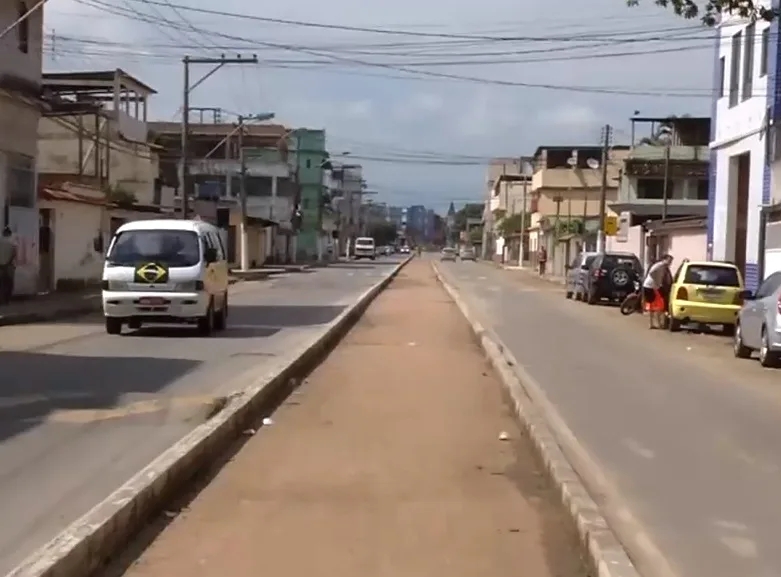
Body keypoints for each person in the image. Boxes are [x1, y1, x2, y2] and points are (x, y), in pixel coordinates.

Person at [643, 254, 673, 329]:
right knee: (658, 305)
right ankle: (656, 323)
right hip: (651, 286)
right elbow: (651, 272)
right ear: (664, 259)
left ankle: (654, 324)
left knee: (654, 305)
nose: (670, 262)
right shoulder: (660, 265)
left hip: (652, 286)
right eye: (669, 260)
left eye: (671, 261)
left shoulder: (664, 267)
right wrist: (657, 281)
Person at [0, 227, 16, 304]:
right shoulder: (12, 244)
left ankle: (1, 300)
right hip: (9, 267)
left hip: (0, 267)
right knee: (9, 284)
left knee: (1, 284)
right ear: (10, 235)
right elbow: (13, 255)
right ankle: (7, 300)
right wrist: (7, 263)